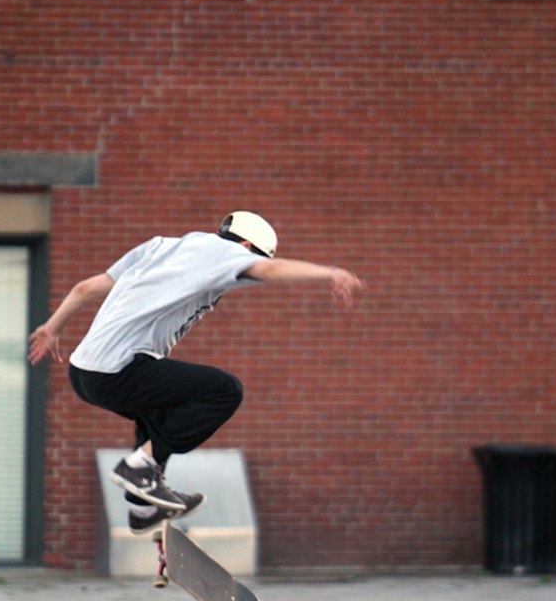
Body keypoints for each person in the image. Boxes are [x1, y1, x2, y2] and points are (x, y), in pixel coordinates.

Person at [28, 212, 365, 534]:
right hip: (119, 370)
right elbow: (273, 270)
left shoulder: (160, 246)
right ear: (247, 247)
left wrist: (51, 327)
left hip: (84, 372)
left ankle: (143, 507)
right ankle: (139, 468)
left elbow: (86, 289)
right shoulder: (226, 253)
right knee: (223, 390)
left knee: (159, 411)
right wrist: (330, 272)